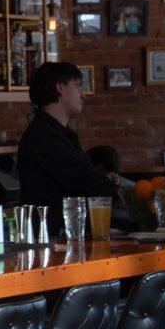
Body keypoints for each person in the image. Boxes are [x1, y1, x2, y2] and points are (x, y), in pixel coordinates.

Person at [19, 62, 118, 233]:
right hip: (56, 239)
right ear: (60, 88)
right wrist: (123, 192)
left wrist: (102, 177)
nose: (83, 95)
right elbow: (80, 180)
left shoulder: (59, 133)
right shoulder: (43, 136)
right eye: (78, 86)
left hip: (67, 233)